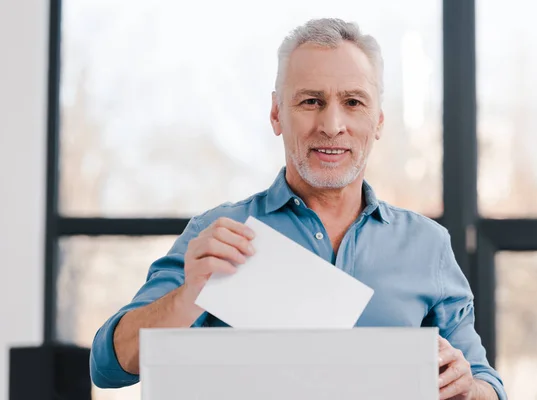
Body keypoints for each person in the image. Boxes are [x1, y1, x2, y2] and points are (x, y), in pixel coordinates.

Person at [90, 18, 506, 400]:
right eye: (310, 101)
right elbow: (109, 366)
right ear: (276, 113)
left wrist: (468, 387)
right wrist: (188, 297)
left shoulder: (426, 245)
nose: (331, 125)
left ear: (378, 121)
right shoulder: (220, 233)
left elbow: (487, 385)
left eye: (354, 102)